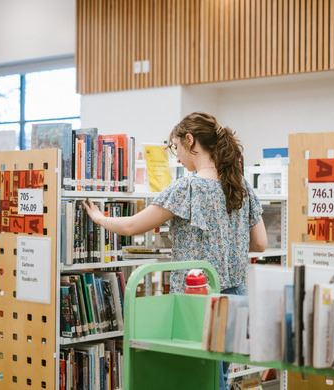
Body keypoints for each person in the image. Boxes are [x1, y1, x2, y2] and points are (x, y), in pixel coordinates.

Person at [83, 112, 267, 390]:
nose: (177, 156)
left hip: (197, 301)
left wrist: (100, 219)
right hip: (236, 297)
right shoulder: (241, 186)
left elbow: (133, 225)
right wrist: (229, 238)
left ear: (189, 140)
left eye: (175, 148)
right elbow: (260, 243)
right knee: (219, 377)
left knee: (201, 380)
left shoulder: (188, 188)